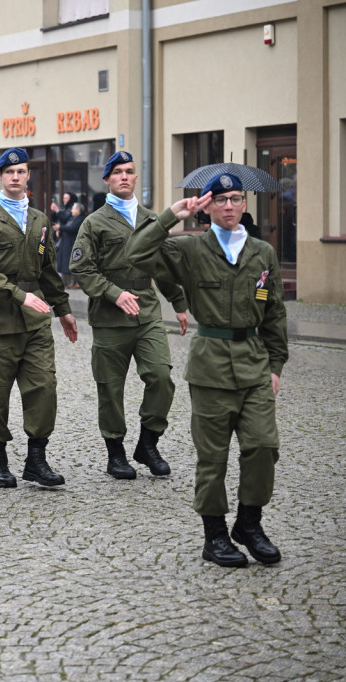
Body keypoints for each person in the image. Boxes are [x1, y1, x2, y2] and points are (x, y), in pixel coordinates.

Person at [127, 173, 288, 568]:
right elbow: (136, 254)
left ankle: (249, 523)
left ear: (245, 204)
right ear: (208, 207)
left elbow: (274, 312)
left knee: (263, 446)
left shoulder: (262, 253)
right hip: (211, 366)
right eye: (221, 200)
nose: (229, 206)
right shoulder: (191, 250)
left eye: (236, 199)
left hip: (254, 363)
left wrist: (276, 364)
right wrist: (170, 216)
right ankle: (214, 534)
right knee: (213, 458)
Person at [70, 151, 189, 480]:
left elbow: (162, 266)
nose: (124, 176)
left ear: (136, 177)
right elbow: (81, 267)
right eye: (117, 172)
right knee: (110, 387)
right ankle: (116, 453)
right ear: (106, 179)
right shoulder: (94, 222)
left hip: (147, 311)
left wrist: (178, 303)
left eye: (130, 171)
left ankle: (148, 444)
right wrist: (113, 293)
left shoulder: (152, 219)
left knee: (161, 376)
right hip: (110, 317)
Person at [0, 147, 79, 489]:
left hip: (35, 323)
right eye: (9, 172)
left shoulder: (40, 219)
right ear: (1, 177)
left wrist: (64, 310)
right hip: (0, 321)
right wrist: (19, 295)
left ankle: (36, 459)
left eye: (22, 172)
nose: (16, 177)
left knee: (44, 388)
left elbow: (47, 270)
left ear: (29, 176)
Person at [56, 202, 84, 288]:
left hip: (73, 244)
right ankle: (69, 283)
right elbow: (66, 227)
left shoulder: (81, 219)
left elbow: (72, 228)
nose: (71, 210)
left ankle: (75, 283)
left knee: (74, 263)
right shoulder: (72, 218)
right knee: (67, 263)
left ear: (78, 210)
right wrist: (60, 230)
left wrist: (60, 227)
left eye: (73, 208)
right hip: (66, 244)